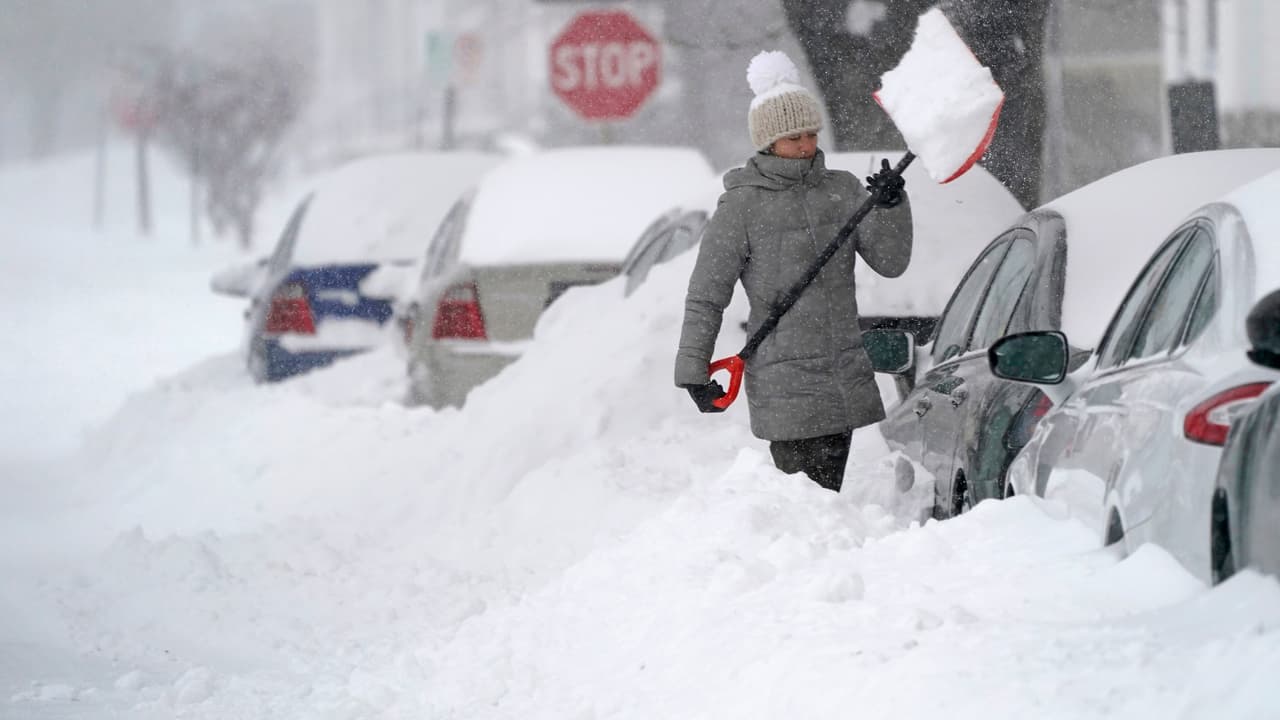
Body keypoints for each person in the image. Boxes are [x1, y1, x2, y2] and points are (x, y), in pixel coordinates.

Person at [674, 50, 913, 493]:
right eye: (792, 138)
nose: (805, 145)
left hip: (841, 373)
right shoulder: (741, 206)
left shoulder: (841, 190)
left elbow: (891, 263)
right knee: (805, 502)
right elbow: (707, 294)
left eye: (809, 133)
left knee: (827, 501)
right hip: (785, 382)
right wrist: (693, 370)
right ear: (767, 143)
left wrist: (891, 206)